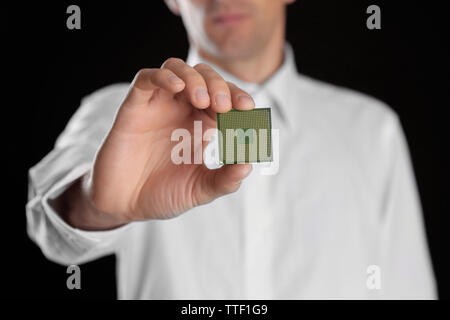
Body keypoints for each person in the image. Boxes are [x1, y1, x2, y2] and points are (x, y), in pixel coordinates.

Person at [26, 0, 436, 299]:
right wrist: (98, 205)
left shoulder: (371, 129)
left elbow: (408, 287)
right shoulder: (121, 112)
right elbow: (50, 229)